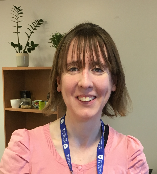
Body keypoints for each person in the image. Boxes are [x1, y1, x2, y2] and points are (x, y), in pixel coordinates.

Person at [0, 22, 149, 174]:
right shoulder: (24, 150)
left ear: (114, 82)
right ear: (58, 81)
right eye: (73, 68)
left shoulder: (130, 156)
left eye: (97, 69)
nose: (85, 83)